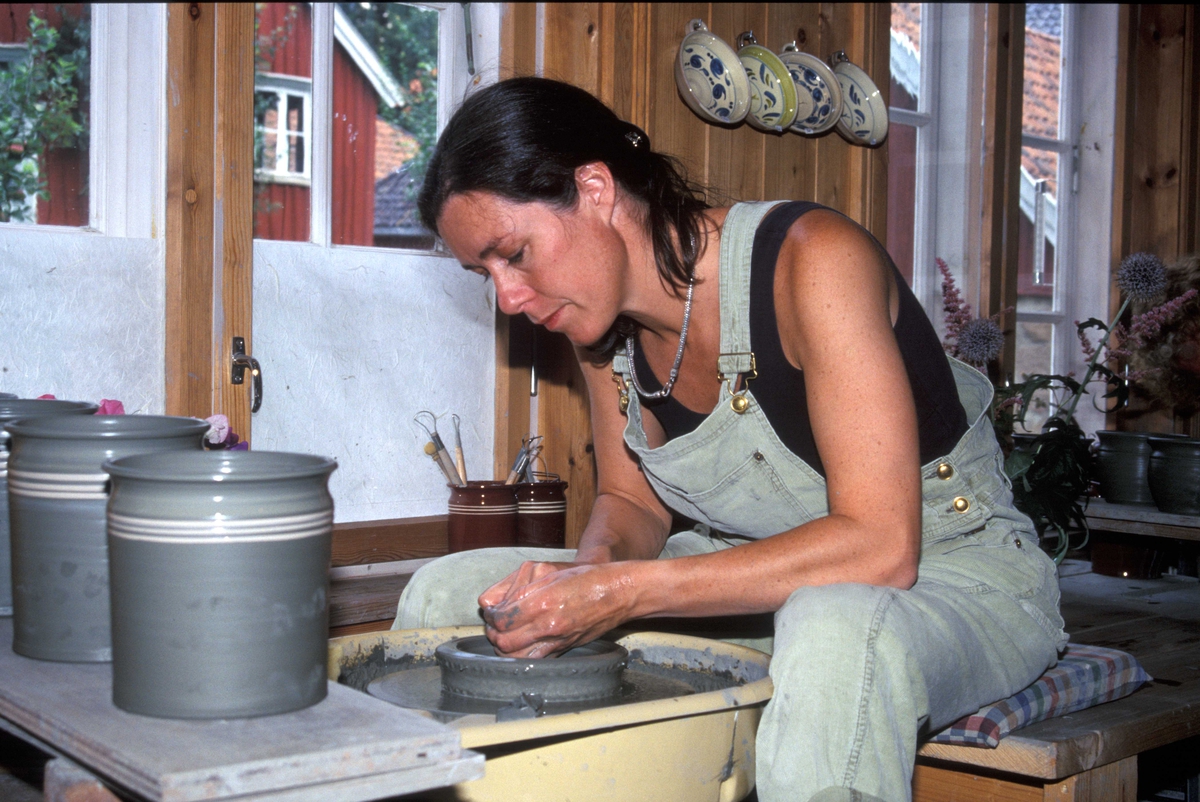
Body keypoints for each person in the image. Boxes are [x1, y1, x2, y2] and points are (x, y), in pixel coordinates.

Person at [395, 77, 1066, 802]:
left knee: (831, 625)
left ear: (593, 187)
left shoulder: (811, 258)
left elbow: (880, 546)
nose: (509, 299)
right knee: (450, 593)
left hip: (949, 579)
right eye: (483, 273)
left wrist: (620, 592)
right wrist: (587, 578)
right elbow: (632, 503)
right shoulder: (591, 324)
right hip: (748, 585)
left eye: (514, 253)